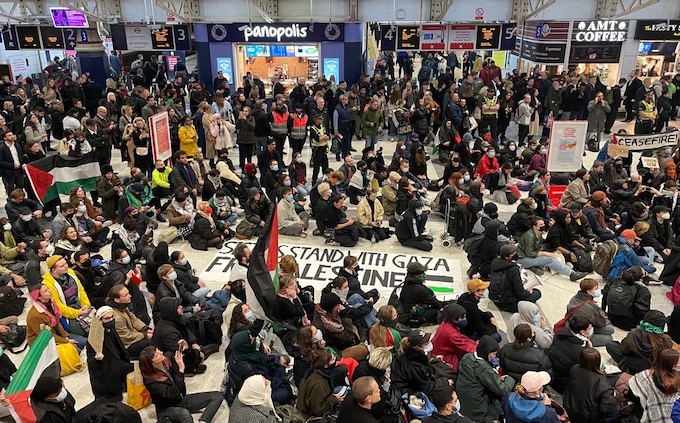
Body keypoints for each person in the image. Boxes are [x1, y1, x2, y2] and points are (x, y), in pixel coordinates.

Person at [140, 346, 224, 423]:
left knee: (217, 396)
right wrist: (180, 370)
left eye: (158, 350)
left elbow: (178, 356)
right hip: (166, 408)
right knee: (185, 415)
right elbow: (173, 393)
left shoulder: (167, 360)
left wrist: (186, 347)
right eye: (157, 354)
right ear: (151, 363)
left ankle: (204, 421)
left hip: (181, 399)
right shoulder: (149, 381)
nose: (161, 352)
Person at [457, 336, 515, 423]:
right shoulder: (483, 368)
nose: (494, 357)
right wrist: (510, 379)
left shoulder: (467, 357)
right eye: (493, 354)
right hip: (479, 410)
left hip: (465, 405)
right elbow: (502, 389)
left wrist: (495, 378)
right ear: (487, 352)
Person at [86, 305, 134, 401]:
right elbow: (91, 362)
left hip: (116, 362)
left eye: (112, 317)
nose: (111, 320)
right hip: (107, 368)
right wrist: (97, 358)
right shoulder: (94, 338)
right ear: (100, 320)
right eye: (107, 318)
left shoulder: (111, 329)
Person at [517, 216, 587, 281]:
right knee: (550, 259)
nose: (543, 226)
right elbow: (529, 253)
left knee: (552, 255)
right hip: (522, 258)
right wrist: (544, 253)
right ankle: (572, 274)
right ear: (534, 226)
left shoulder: (539, 233)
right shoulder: (529, 236)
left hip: (529, 255)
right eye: (541, 225)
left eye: (543, 224)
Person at [606, 310, 674, 375]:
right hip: (651, 369)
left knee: (611, 345)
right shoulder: (667, 340)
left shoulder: (634, 334)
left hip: (633, 365)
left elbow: (624, 349)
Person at [42, 255, 92, 341]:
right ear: (54, 270)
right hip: (67, 314)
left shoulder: (70, 272)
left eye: (66, 264)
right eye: (62, 266)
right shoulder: (48, 284)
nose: (66, 266)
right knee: (83, 332)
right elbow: (58, 306)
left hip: (81, 307)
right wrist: (77, 313)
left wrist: (86, 305)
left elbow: (80, 290)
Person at [390, 331, 452, 397]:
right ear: (417, 347)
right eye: (426, 344)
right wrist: (444, 382)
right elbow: (427, 387)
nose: (429, 344)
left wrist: (433, 358)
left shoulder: (407, 353)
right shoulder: (415, 366)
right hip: (409, 392)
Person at [629, 348, 680, 423]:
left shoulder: (644, 375)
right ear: (673, 366)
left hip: (647, 414)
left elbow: (632, 392)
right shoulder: (676, 380)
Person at [547, 314, 594, 393]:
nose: (591, 329)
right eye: (589, 328)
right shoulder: (580, 351)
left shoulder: (561, 333)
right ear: (582, 332)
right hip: (565, 383)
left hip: (553, 374)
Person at [489, 244, 541, 313]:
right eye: (513, 254)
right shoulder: (513, 269)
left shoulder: (494, 263)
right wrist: (528, 292)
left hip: (496, 298)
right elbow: (520, 294)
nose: (515, 255)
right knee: (537, 293)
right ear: (507, 257)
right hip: (509, 303)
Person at [106, 284, 152, 359]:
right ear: (117, 299)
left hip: (132, 334)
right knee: (148, 343)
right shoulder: (117, 318)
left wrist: (145, 328)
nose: (130, 296)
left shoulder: (122, 306)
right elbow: (127, 337)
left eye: (128, 293)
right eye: (126, 295)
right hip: (126, 346)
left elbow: (133, 319)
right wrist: (144, 335)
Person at [297, 348, 345, 419]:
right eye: (332, 359)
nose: (335, 359)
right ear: (326, 365)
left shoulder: (312, 372)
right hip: (310, 417)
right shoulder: (318, 384)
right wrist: (334, 400)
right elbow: (318, 410)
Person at [565, 278, 614, 347]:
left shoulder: (575, 298)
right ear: (588, 291)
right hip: (582, 331)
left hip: (574, 324)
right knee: (610, 332)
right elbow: (601, 322)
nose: (598, 290)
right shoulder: (589, 307)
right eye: (595, 289)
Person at [431, 303, 478, 372]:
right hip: (444, 356)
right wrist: (478, 348)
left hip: (440, 350)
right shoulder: (451, 334)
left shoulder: (446, 323)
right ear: (454, 319)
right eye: (462, 317)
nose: (464, 319)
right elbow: (464, 347)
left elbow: (460, 338)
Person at [605, 266, 651, 331]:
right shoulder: (642, 290)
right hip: (628, 323)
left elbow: (605, 296)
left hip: (611, 316)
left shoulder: (615, 282)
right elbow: (642, 310)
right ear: (641, 278)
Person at [400, 261, 443, 326]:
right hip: (412, 318)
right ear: (416, 275)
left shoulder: (407, 283)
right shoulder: (419, 289)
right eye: (422, 273)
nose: (424, 275)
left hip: (409, 312)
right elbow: (436, 304)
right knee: (440, 312)